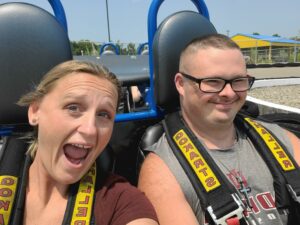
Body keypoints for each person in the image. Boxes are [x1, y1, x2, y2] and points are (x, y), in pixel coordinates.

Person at [138, 34, 300, 225]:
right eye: (213, 82)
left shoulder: (283, 139)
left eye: (239, 80)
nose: (229, 93)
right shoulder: (162, 173)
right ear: (181, 84)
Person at [8, 60, 159, 224]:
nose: (90, 130)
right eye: (73, 107)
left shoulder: (122, 202)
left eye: (103, 115)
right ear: (35, 111)